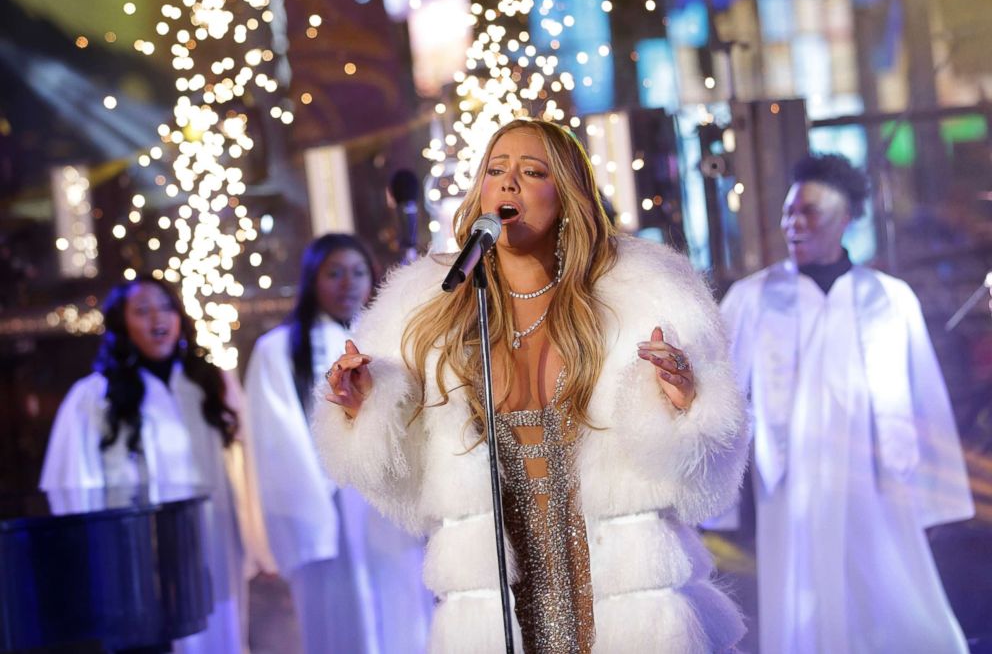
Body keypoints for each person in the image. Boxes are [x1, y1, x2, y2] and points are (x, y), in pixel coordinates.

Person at [315, 118, 749, 652]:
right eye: (496, 170)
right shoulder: (425, 310)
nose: (508, 183)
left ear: (566, 195)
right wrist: (364, 407)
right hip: (498, 595)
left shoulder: (641, 297)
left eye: (532, 171)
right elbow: (394, 474)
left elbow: (710, 467)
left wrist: (684, 405)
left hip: (621, 588)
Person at [718, 153, 975, 653]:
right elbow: (718, 388)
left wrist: (935, 491)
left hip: (875, 480)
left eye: (809, 211)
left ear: (846, 218)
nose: (794, 222)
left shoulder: (888, 297)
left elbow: (924, 395)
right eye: (790, 211)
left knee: (891, 590)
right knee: (804, 596)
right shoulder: (754, 297)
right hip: (793, 486)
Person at [40, 275, 261, 654]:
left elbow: (250, 465)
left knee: (219, 633)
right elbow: (72, 487)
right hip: (138, 557)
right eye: (141, 311)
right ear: (122, 324)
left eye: (165, 307)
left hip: (214, 542)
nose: (157, 318)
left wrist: (260, 540)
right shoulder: (94, 397)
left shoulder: (210, 383)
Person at [243, 234, 431, 654]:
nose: (348, 282)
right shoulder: (277, 351)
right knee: (339, 622)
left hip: (385, 505)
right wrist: (317, 507)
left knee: (402, 613)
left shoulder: (389, 341)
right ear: (313, 280)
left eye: (359, 272)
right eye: (334, 273)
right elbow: (278, 440)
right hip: (327, 508)